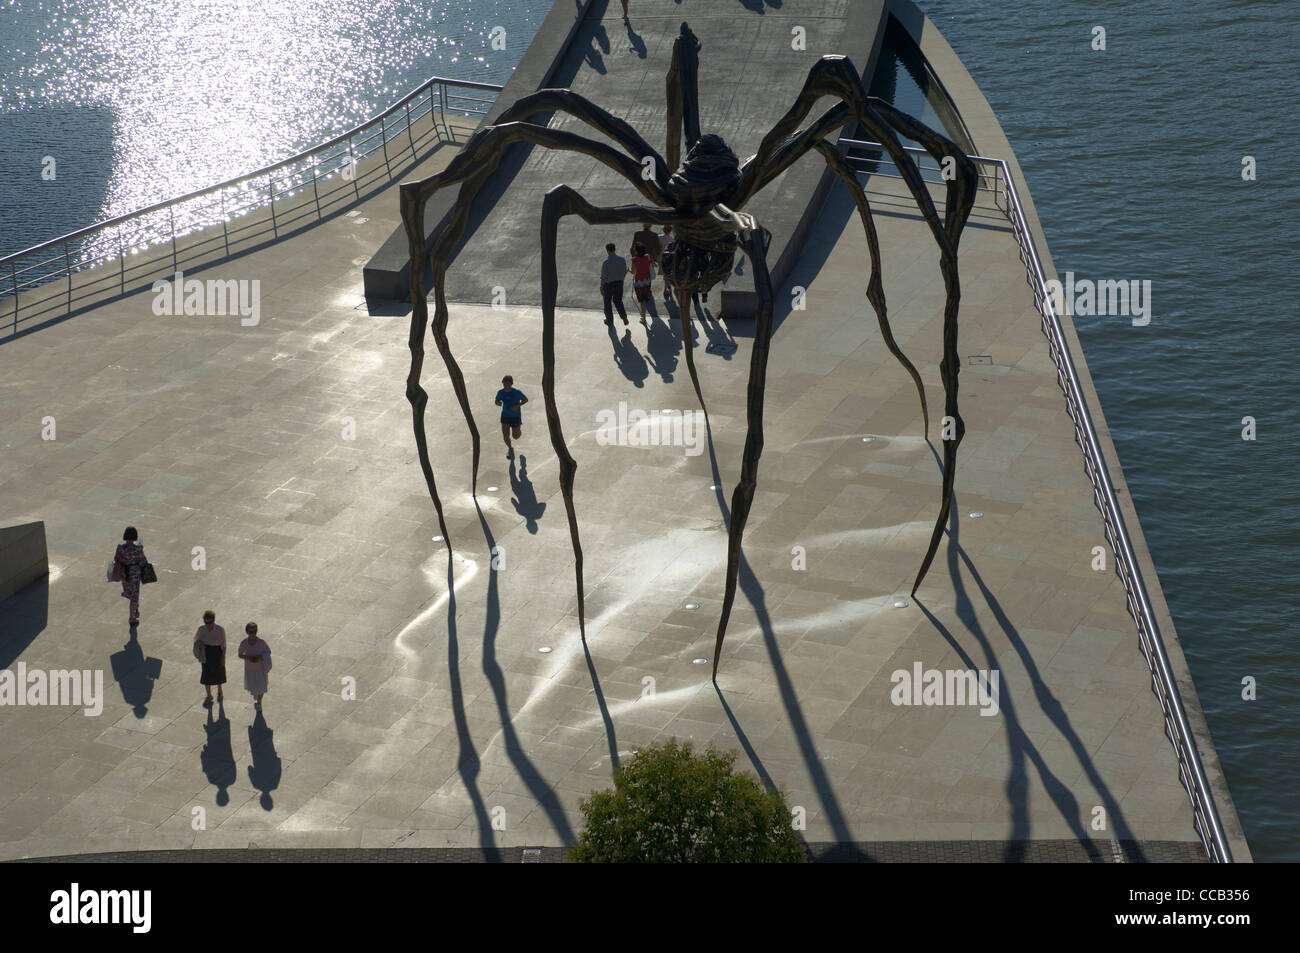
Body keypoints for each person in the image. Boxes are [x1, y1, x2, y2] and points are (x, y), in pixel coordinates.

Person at [112, 526, 148, 626]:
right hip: (135, 575)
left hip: (124, 574)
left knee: (129, 592)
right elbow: (143, 562)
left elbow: (116, 560)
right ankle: (132, 617)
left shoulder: (120, 549)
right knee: (135, 596)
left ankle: (134, 606)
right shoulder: (138, 549)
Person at [194, 610, 227, 706]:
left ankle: (220, 691)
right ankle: (209, 695)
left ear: (214, 620)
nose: (208, 624)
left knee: (219, 673)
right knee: (206, 675)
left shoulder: (220, 629)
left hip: (217, 653)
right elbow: (196, 640)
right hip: (206, 654)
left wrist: (223, 658)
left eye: (210, 622)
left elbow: (224, 645)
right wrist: (200, 646)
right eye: (206, 622)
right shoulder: (201, 629)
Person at [238, 622, 271, 711]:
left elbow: (268, 652)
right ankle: (256, 696)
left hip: (260, 669)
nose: (253, 634)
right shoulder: (244, 643)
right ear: (247, 632)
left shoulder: (261, 642)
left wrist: (260, 657)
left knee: (262, 688)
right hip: (250, 670)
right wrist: (248, 657)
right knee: (254, 688)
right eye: (250, 632)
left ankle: (259, 703)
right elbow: (240, 654)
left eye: (254, 631)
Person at [495, 375, 529, 457]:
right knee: (505, 435)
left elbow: (525, 399)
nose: (506, 386)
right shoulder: (501, 392)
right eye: (504, 384)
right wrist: (498, 403)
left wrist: (518, 404)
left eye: (508, 384)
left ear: (511, 384)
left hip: (515, 417)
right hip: (505, 416)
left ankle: (519, 430)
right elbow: (496, 401)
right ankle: (510, 448)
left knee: (516, 436)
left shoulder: (517, 392)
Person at [600, 242, 629, 327]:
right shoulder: (622, 259)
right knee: (618, 301)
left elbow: (604, 277)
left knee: (607, 303)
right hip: (619, 283)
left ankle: (610, 321)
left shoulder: (606, 262)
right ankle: (624, 316)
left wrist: (601, 287)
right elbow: (624, 272)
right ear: (615, 249)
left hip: (609, 285)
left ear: (607, 251)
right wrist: (622, 281)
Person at [629, 242, 655, 325]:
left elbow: (633, 272)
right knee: (645, 296)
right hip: (647, 280)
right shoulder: (648, 256)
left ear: (637, 251)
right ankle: (643, 314)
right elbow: (653, 264)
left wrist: (628, 269)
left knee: (642, 301)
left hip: (639, 282)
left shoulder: (634, 260)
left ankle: (643, 318)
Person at [660, 224, 677, 306]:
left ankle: (666, 288)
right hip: (670, 259)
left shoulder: (659, 237)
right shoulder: (672, 239)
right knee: (667, 274)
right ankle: (666, 288)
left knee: (665, 274)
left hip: (661, 258)